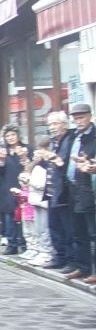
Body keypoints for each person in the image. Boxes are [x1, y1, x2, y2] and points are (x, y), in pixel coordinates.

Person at [62, 102, 96, 281]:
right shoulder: (73, 136)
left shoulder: (93, 136)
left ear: (90, 116)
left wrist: (90, 165)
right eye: (75, 118)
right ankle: (82, 266)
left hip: (88, 188)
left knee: (93, 232)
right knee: (78, 231)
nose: (78, 121)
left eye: (81, 117)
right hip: (73, 188)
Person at [43, 110, 76, 270]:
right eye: (50, 124)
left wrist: (50, 156)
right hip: (51, 190)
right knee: (54, 226)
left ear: (64, 124)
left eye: (55, 123)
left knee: (67, 228)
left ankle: (71, 260)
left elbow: (63, 163)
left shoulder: (69, 140)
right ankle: (59, 256)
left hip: (64, 192)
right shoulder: (53, 142)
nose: (52, 127)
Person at [0, 126, 29, 255]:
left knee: (25, 216)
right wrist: (1, 161)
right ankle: (12, 243)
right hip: (7, 186)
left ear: (18, 135)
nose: (10, 138)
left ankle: (25, 243)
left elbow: (30, 167)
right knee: (10, 216)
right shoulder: (3, 152)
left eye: (13, 135)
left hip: (23, 185)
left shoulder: (26, 149)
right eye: (8, 136)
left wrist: (24, 158)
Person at [27, 134, 56, 267]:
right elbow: (27, 171)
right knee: (38, 228)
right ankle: (40, 250)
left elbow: (46, 181)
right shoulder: (36, 163)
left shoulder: (48, 162)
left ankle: (47, 253)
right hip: (35, 198)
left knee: (45, 228)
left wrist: (30, 182)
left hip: (44, 198)